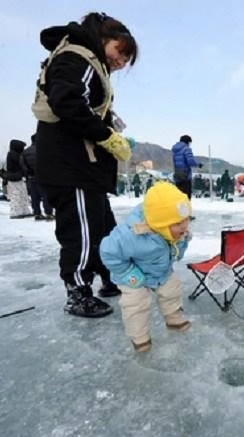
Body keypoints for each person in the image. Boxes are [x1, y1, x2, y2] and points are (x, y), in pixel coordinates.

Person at [32, 11, 138, 317]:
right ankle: (78, 292)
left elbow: (87, 108)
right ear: (103, 39)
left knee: (104, 228)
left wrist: (110, 132)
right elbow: (67, 102)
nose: (121, 62)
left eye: (126, 59)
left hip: (86, 168)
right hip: (71, 166)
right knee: (82, 233)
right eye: (120, 52)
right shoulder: (79, 57)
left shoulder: (88, 62)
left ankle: (109, 278)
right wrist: (105, 135)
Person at [100, 181, 193, 352]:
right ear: (160, 222)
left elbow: (176, 254)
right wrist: (128, 273)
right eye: (179, 223)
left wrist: (181, 241)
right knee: (136, 303)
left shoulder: (171, 230)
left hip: (160, 270)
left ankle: (173, 317)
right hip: (133, 276)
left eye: (187, 219)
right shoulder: (130, 235)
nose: (185, 225)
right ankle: (139, 337)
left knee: (172, 289)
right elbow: (108, 252)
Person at [21, 135, 54, 220]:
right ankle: (49, 213)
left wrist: (28, 173)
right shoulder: (44, 150)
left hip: (31, 178)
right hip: (43, 177)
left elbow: (22, 165)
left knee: (34, 197)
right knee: (46, 196)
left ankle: (37, 213)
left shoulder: (25, 152)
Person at [4, 140, 32, 217]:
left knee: (22, 195)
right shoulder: (14, 155)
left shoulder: (13, 154)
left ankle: (23, 211)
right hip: (15, 178)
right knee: (16, 195)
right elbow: (21, 166)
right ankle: (16, 212)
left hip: (17, 177)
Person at [171, 135, 202, 199]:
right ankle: (185, 209)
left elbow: (174, 163)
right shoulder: (186, 149)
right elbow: (190, 161)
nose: (189, 144)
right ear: (187, 142)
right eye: (189, 143)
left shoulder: (175, 151)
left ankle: (178, 209)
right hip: (186, 176)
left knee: (178, 196)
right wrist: (198, 165)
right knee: (186, 197)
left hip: (177, 176)